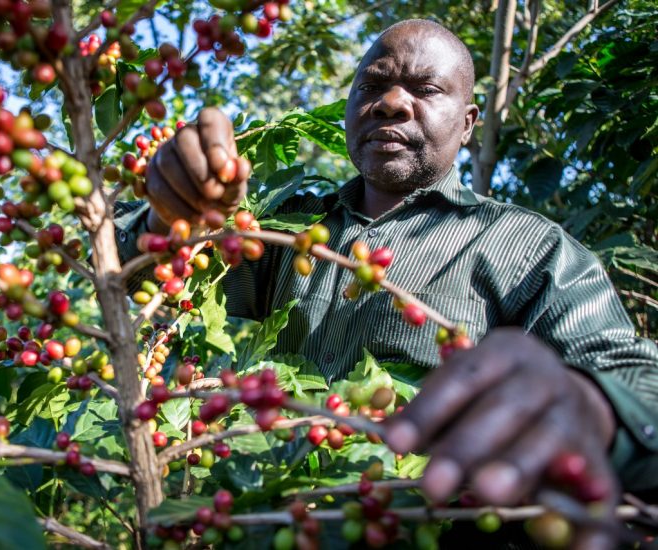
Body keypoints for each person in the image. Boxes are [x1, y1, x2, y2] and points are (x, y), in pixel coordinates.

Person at [114, 19, 658, 549]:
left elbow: (636, 379)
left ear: (468, 123)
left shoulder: (527, 247)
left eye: (425, 89)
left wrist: (595, 405)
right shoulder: (285, 230)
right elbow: (142, 281)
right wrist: (172, 216)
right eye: (371, 86)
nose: (391, 102)